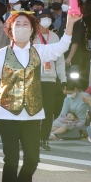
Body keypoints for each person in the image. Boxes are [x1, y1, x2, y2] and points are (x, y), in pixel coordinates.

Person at [0, 10, 79, 182]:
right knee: (11, 158)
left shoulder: (38, 51)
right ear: (10, 29)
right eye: (17, 24)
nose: (21, 28)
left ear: (33, 29)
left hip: (34, 112)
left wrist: (70, 22)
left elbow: (62, 47)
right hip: (8, 112)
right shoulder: (2, 54)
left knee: (33, 158)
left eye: (25, 24)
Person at [34, 8, 66, 151]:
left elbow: (60, 60)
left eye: (48, 17)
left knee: (47, 111)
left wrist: (63, 78)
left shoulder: (54, 37)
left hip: (50, 78)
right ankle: (31, 138)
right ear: (37, 19)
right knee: (33, 110)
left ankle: (44, 139)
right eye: (43, 17)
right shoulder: (32, 35)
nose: (46, 20)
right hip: (34, 77)